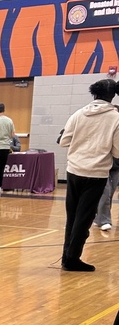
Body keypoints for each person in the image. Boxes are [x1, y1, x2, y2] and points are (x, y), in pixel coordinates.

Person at [59, 78, 119, 272]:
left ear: (94, 94)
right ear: (113, 96)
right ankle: (72, 259)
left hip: (74, 171)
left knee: (72, 216)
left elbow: (64, 141)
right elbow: (118, 151)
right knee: (84, 218)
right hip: (96, 173)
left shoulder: (78, 114)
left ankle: (66, 255)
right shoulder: (115, 118)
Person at [93, 158, 119, 231]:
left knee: (110, 192)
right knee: (105, 192)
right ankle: (104, 221)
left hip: (117, 164)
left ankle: (98, 217)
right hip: (102, 162)